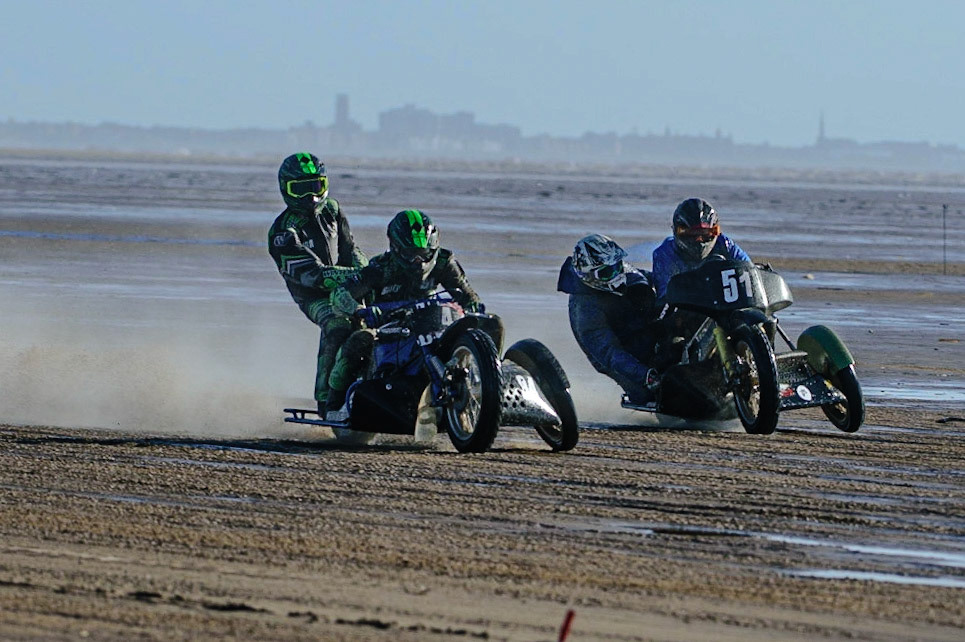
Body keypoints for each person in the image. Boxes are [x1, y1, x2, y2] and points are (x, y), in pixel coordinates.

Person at [324, 209, 483, 418]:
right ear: (395, 248)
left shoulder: (444, 262)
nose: (419, 261)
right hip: (390, 329)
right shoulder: (380, 267)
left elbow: (470, 297)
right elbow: (339, 294)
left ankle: (484, 377)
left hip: (434, 325)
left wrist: (472, 310)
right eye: (411, 254)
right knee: (360, 340)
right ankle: (332, 406)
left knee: (490, 325)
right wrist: (359, 311)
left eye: (425, 254)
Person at [268, 152, 367, 413]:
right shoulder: (282, 233)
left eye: (316, 187)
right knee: (336, 325)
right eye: (300, 190)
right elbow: (315, 276)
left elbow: (351, 249)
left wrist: (368, 272)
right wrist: (357, 277)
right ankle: (325, 399)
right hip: (313, 296)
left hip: (349, 283)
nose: (310, 197)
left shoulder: (333, 210)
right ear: (285, 190)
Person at [557, 234, 661, 405]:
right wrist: (646, 376)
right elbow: (609, 353)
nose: (616, 274)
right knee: (655, 394)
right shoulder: (585, 310)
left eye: (618, 266)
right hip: (622, 358)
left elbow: (651, 278)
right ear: (588, 275)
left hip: (641, 325)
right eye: (607, 273)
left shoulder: (616, 268)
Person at [651, 197, 751, 301]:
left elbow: (749, 271)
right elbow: (665, 298)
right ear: (677, 231)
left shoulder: (725, 245)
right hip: (687, 310)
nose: (699, 240)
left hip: (727, 307)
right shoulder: (666, 253)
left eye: (705, 234)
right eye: (692, 234)